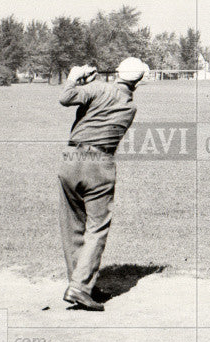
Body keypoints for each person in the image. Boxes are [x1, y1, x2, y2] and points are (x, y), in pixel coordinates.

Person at [57, 57, 149, 310]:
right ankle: (80, 286)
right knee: (96, 228)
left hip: (71, 158)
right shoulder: (130, 106)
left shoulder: (99, 88)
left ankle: (79, 283)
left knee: (72, 225)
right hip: (100, 162)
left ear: (118, 72)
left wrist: (74, 77)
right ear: (138, 81)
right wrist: (88, 83)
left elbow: (67, 98)